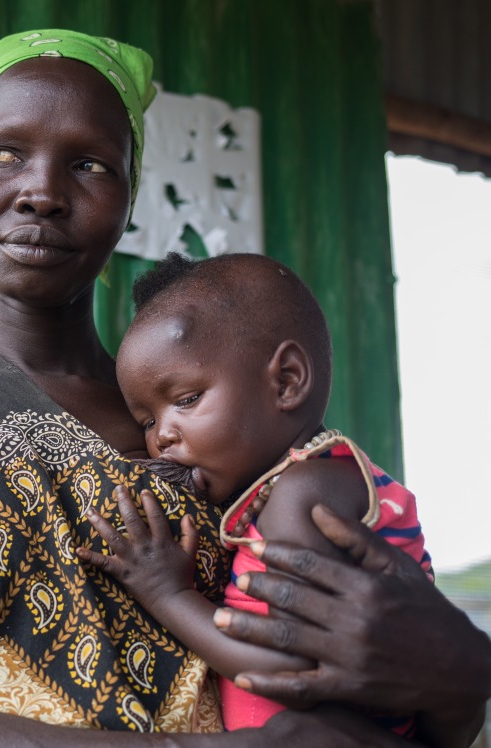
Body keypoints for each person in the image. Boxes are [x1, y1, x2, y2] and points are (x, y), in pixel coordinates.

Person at [0, 28, 491, 746]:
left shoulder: (228, 434)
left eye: (91, 165)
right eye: (1, 154)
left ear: (130, 202)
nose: (40, 191)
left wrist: (461, 675)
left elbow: (396, 698)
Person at [79, 252, 444, 739]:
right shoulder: (321, 481)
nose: (161, 437)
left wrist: (169, 594)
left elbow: (289, 669)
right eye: (148, 421)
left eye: (186, 400)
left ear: (287, 380)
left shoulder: (304, 493)